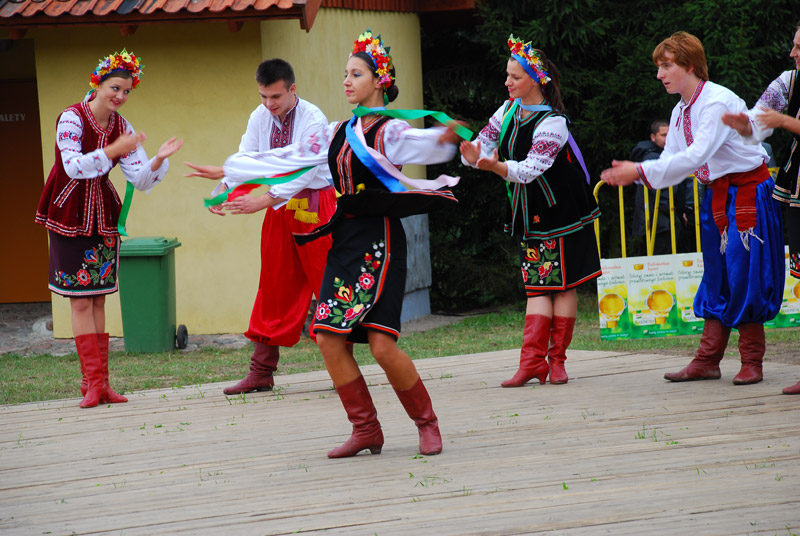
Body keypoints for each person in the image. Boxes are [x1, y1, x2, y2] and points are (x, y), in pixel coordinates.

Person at [208, 30, 464, 457]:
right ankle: (366, 429)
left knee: (381, 345)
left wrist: (448, 138)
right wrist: (228, 173)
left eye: (356, 74)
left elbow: (427, 146)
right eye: (346, 73)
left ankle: (427, 423)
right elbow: (286, 158)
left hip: (380, 241)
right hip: (345, 239)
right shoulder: (337, 130)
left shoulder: (390, 130)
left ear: (379, 81)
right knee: (328, 337)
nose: (346, 81)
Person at [600, 32, 784, 386]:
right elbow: (673, 161)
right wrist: (639, 175)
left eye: (667, 66)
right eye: (659, 67)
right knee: (716, 273)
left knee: (744, 273)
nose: (660, 74)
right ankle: (708, 359)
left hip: (747, 194)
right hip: (717, 195)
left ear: (690, 65)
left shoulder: (717, 102)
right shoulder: (680, 109)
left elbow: (696, 156)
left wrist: (637, 171)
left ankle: (752, 361)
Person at [34, 50, 183, 408]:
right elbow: (72, 166)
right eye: (115, 88)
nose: (120, 96)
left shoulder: (121, 126)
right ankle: (90, 383)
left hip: (102, 216)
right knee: (80, 300)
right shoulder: (71, 118)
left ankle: (101, 384)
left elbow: (139, 179)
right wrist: (113, 149)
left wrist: (158, 159)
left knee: (99, 297)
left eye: (127, 91)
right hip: (69, 214)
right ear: (97, 84)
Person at [185, 59, 335, 395]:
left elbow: (307, 170)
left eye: (276, 97)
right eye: (263, 96)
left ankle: (343, 370)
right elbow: (247, 158)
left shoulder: (314, 119)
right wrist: (224, 191)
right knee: (273, 283)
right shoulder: (259, 116)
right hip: (278, 209)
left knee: (326, 283)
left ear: (292, 89)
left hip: (315, 206)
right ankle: (261, 371)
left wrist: (265, 199)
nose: (269, 104)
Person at [460, 35, 601, 387]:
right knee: (537, 285)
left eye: (515, 77)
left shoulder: (554, 122)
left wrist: (493, 166)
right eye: (507, 75)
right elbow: (483, 145)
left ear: (536, 80)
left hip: (563, 211)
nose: (507, 82)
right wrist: (471, 155)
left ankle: (557, 362)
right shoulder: (507, 110)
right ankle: (532, 363)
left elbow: (529, 170)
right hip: (530, 212)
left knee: (564, 285)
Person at [720, 21, 800, 395]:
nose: (792, 52)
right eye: (794, 45)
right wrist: (744, 125)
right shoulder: (789, 81)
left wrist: (786, 121)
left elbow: (778, 120)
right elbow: (759, 119)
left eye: (799, 47)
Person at [630, 120, 685, 255]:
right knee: (662, 260)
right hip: (660, 221)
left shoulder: (665, 155)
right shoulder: (652, 158)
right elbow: (662, 192)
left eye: (669, 135)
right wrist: (674, 212)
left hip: (662, 219)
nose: (667, 139)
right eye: (663, 135)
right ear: (653, 137)